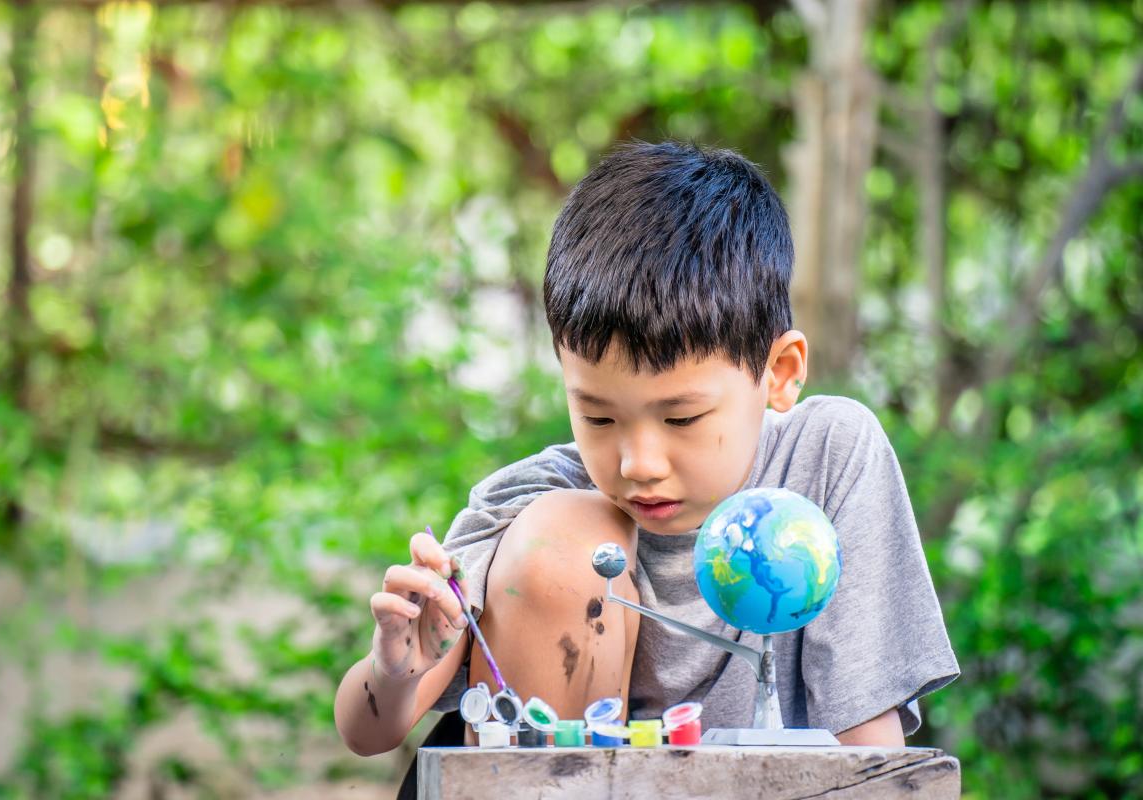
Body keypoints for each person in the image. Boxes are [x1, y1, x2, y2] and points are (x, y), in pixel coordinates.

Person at [334, 142, 960, 769]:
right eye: (599, 417)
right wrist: (395, 669)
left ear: (778, 372)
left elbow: (869, 749)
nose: (638, 463)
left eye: (681, 418)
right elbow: (369, 731)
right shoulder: (532, 501)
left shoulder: (826, 457)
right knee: (566, 531)